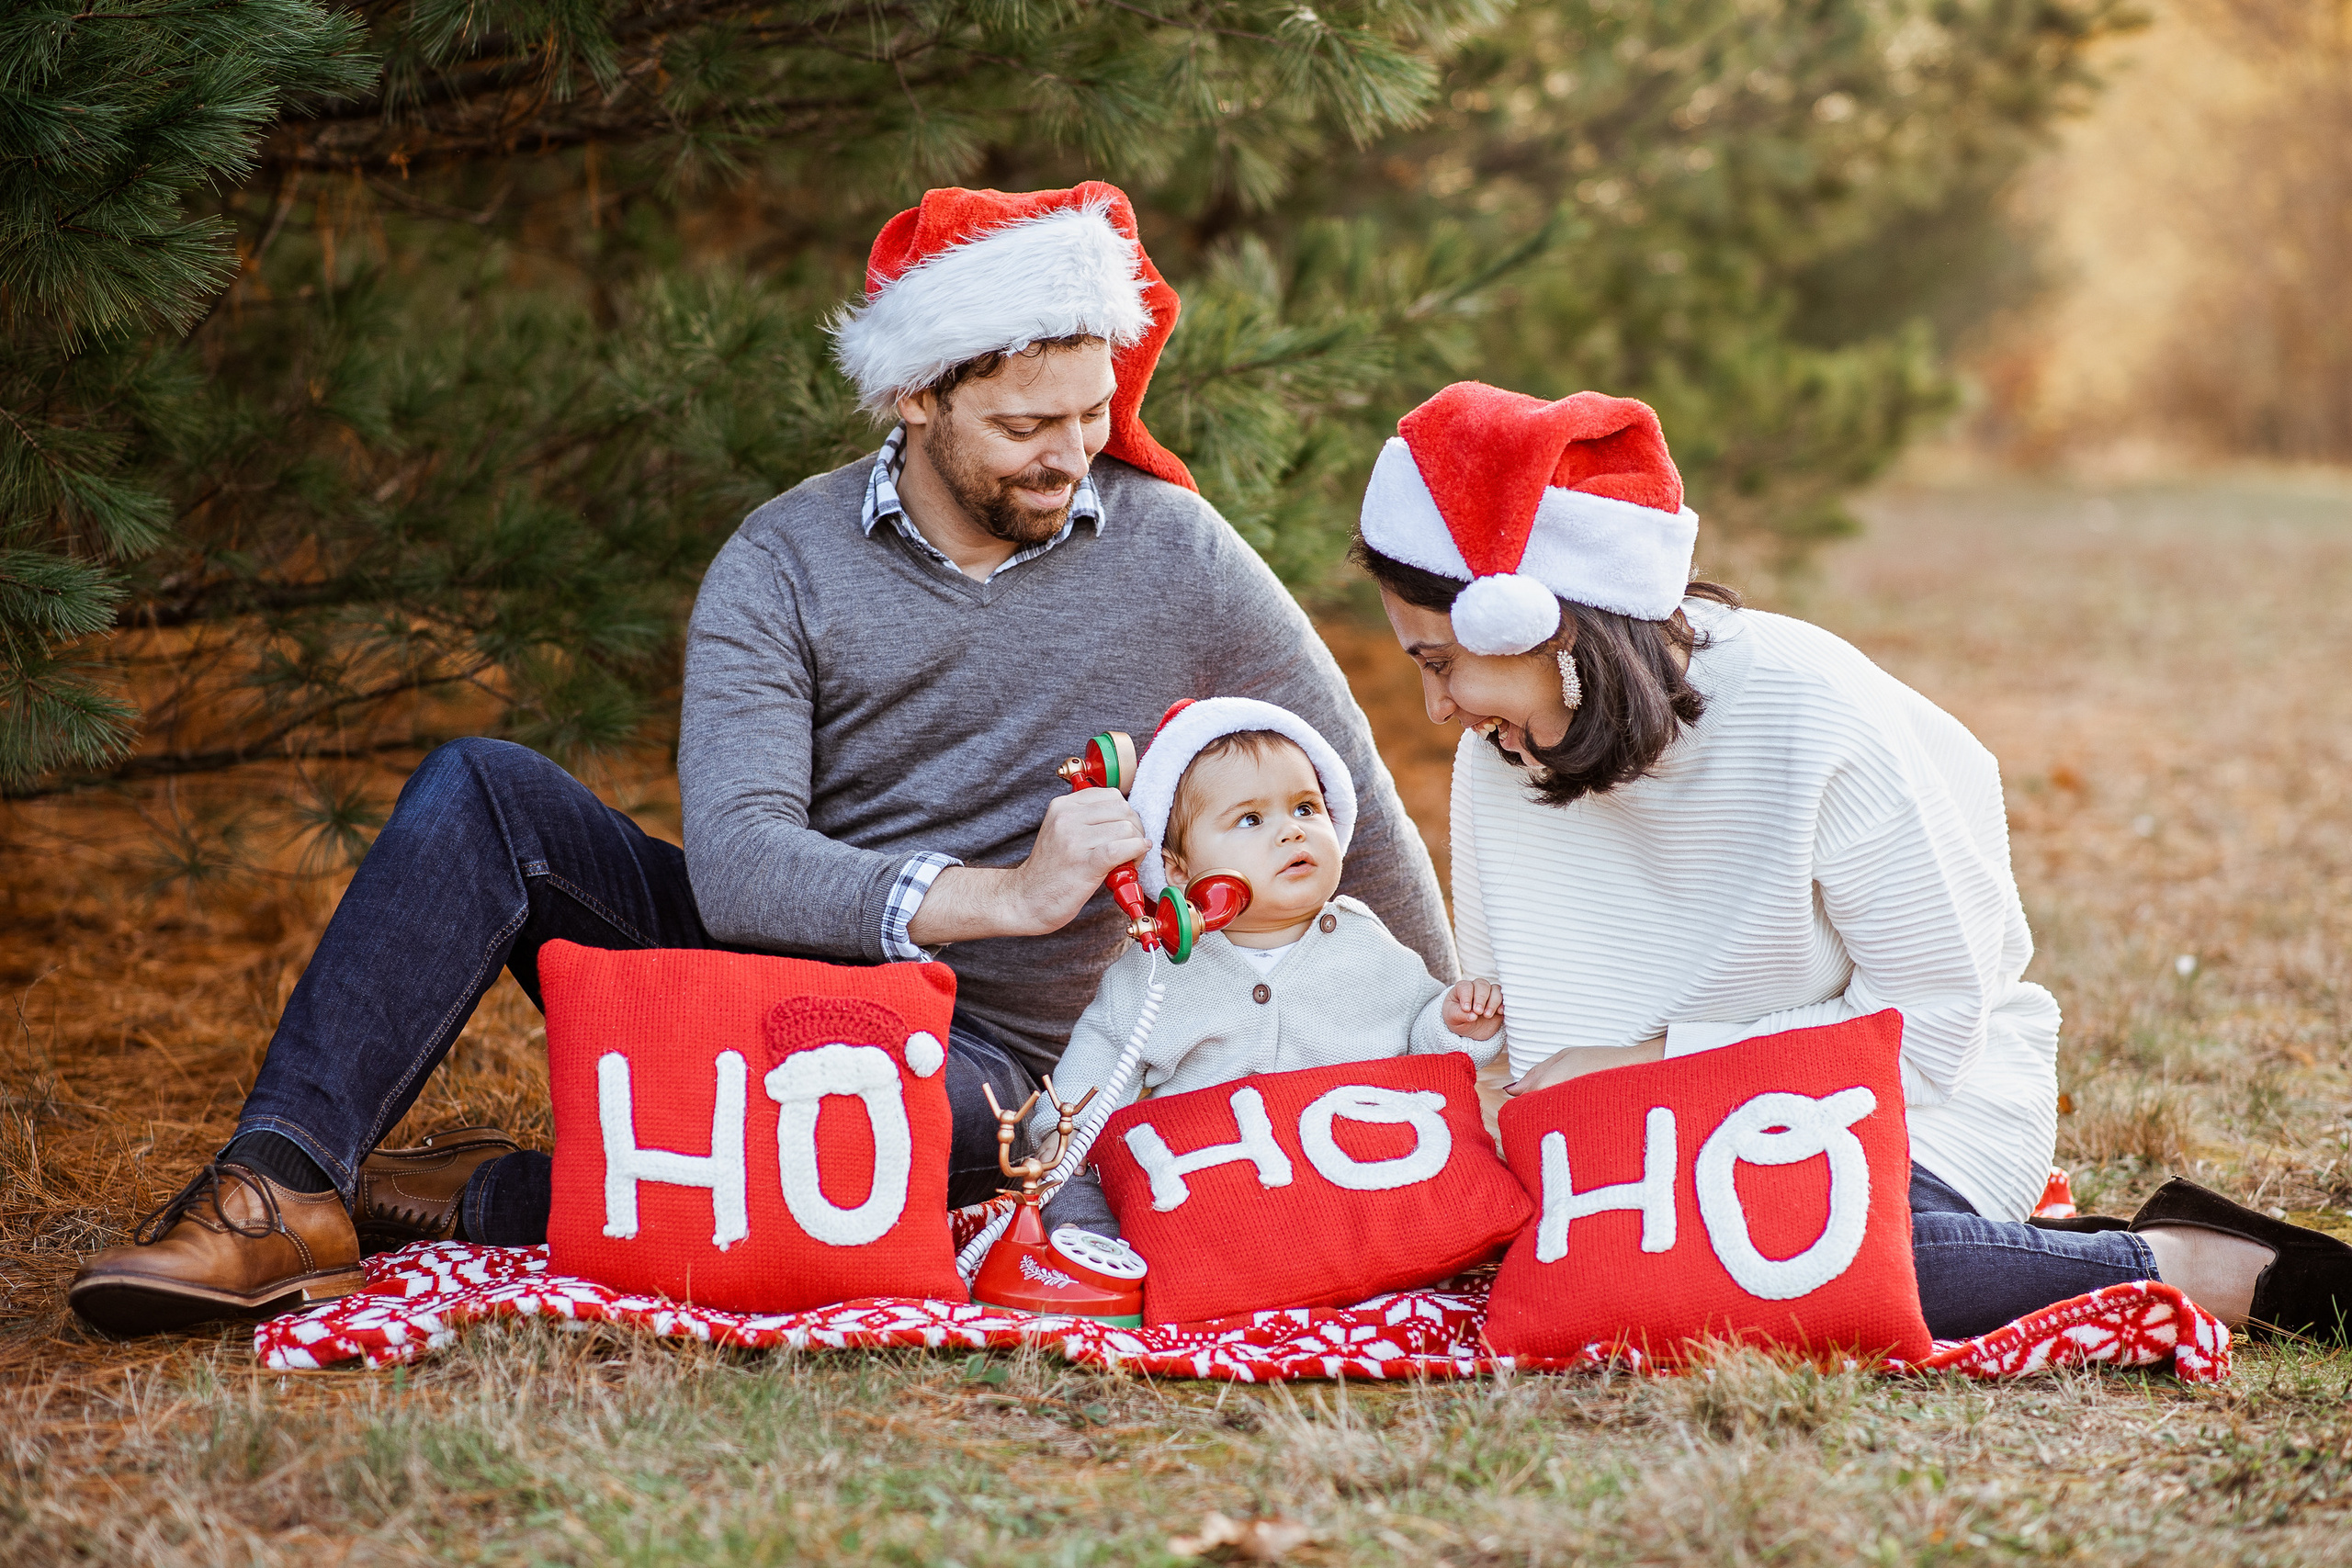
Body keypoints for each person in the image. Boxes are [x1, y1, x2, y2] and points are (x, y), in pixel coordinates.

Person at [65, 183, 1451, 1337]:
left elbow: (1351, 790)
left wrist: (1460, 1067)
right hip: (766, 970)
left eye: (1089, 415)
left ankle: (493, 1196)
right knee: (486, 788)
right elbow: (736, 865)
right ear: (914, 395)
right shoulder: (779, 563)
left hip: (991, 1059)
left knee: (912, 1148)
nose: (1070, 458)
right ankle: (281, 1188)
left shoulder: (1176, 550)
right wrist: (1006, 891)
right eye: (1026, 426)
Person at [1350, 378, 2352, 1342]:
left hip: (1912, 1107)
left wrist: (1654, 1065)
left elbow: (1928, 1028)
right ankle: (2014, 1260)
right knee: (1586, 1266)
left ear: (1542, 622)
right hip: (1654, 1140)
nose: (1439, 709)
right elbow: (1524, 1038)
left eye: (1441, 663)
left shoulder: (1807, 707)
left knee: (1782, 1265)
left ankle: (2181, 1263)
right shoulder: (1497, 757)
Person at [1030, 697, 1505, 1239]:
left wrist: (1455, 1025)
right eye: (1251, 819)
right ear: (1176, 869)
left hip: (1355, 1177)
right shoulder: (1157, 974)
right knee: (1086, 1202)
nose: (1291, 832)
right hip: (1217, 1190)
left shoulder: (1362, 941)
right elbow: (1103, 1053)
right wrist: (1059, 1138)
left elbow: (1423, 1049)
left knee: (1456, 1179)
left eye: (1306, 808)